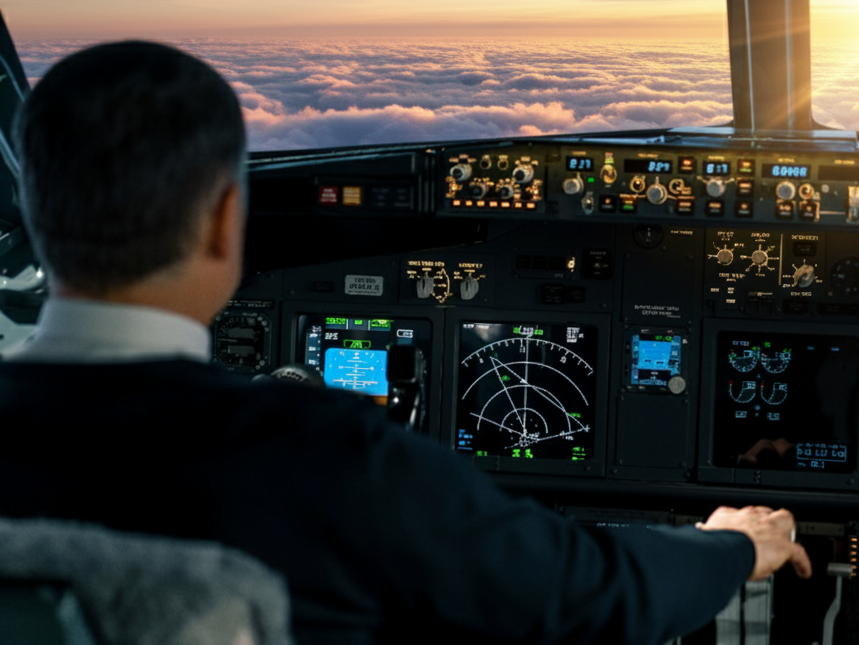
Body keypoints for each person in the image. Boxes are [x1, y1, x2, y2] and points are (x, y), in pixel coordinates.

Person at [0, 41, 811, 644]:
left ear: (35, 217)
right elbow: (595, 599)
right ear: (223, 221)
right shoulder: (330, 457)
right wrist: (731, 547)